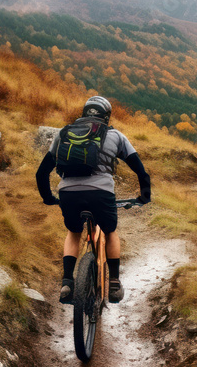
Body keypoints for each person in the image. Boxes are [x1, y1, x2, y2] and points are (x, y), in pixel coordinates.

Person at [36, 96, 151, 304]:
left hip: (68, 194)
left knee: (73, 232)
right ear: (106, 116)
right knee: (110, 231)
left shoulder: (63, 134)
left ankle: (68, 281)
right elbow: (140, 169)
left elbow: (41, 173)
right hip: (101, 193)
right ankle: (114, 282)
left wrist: (48, 198)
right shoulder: (115, 135)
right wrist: (144, 195)